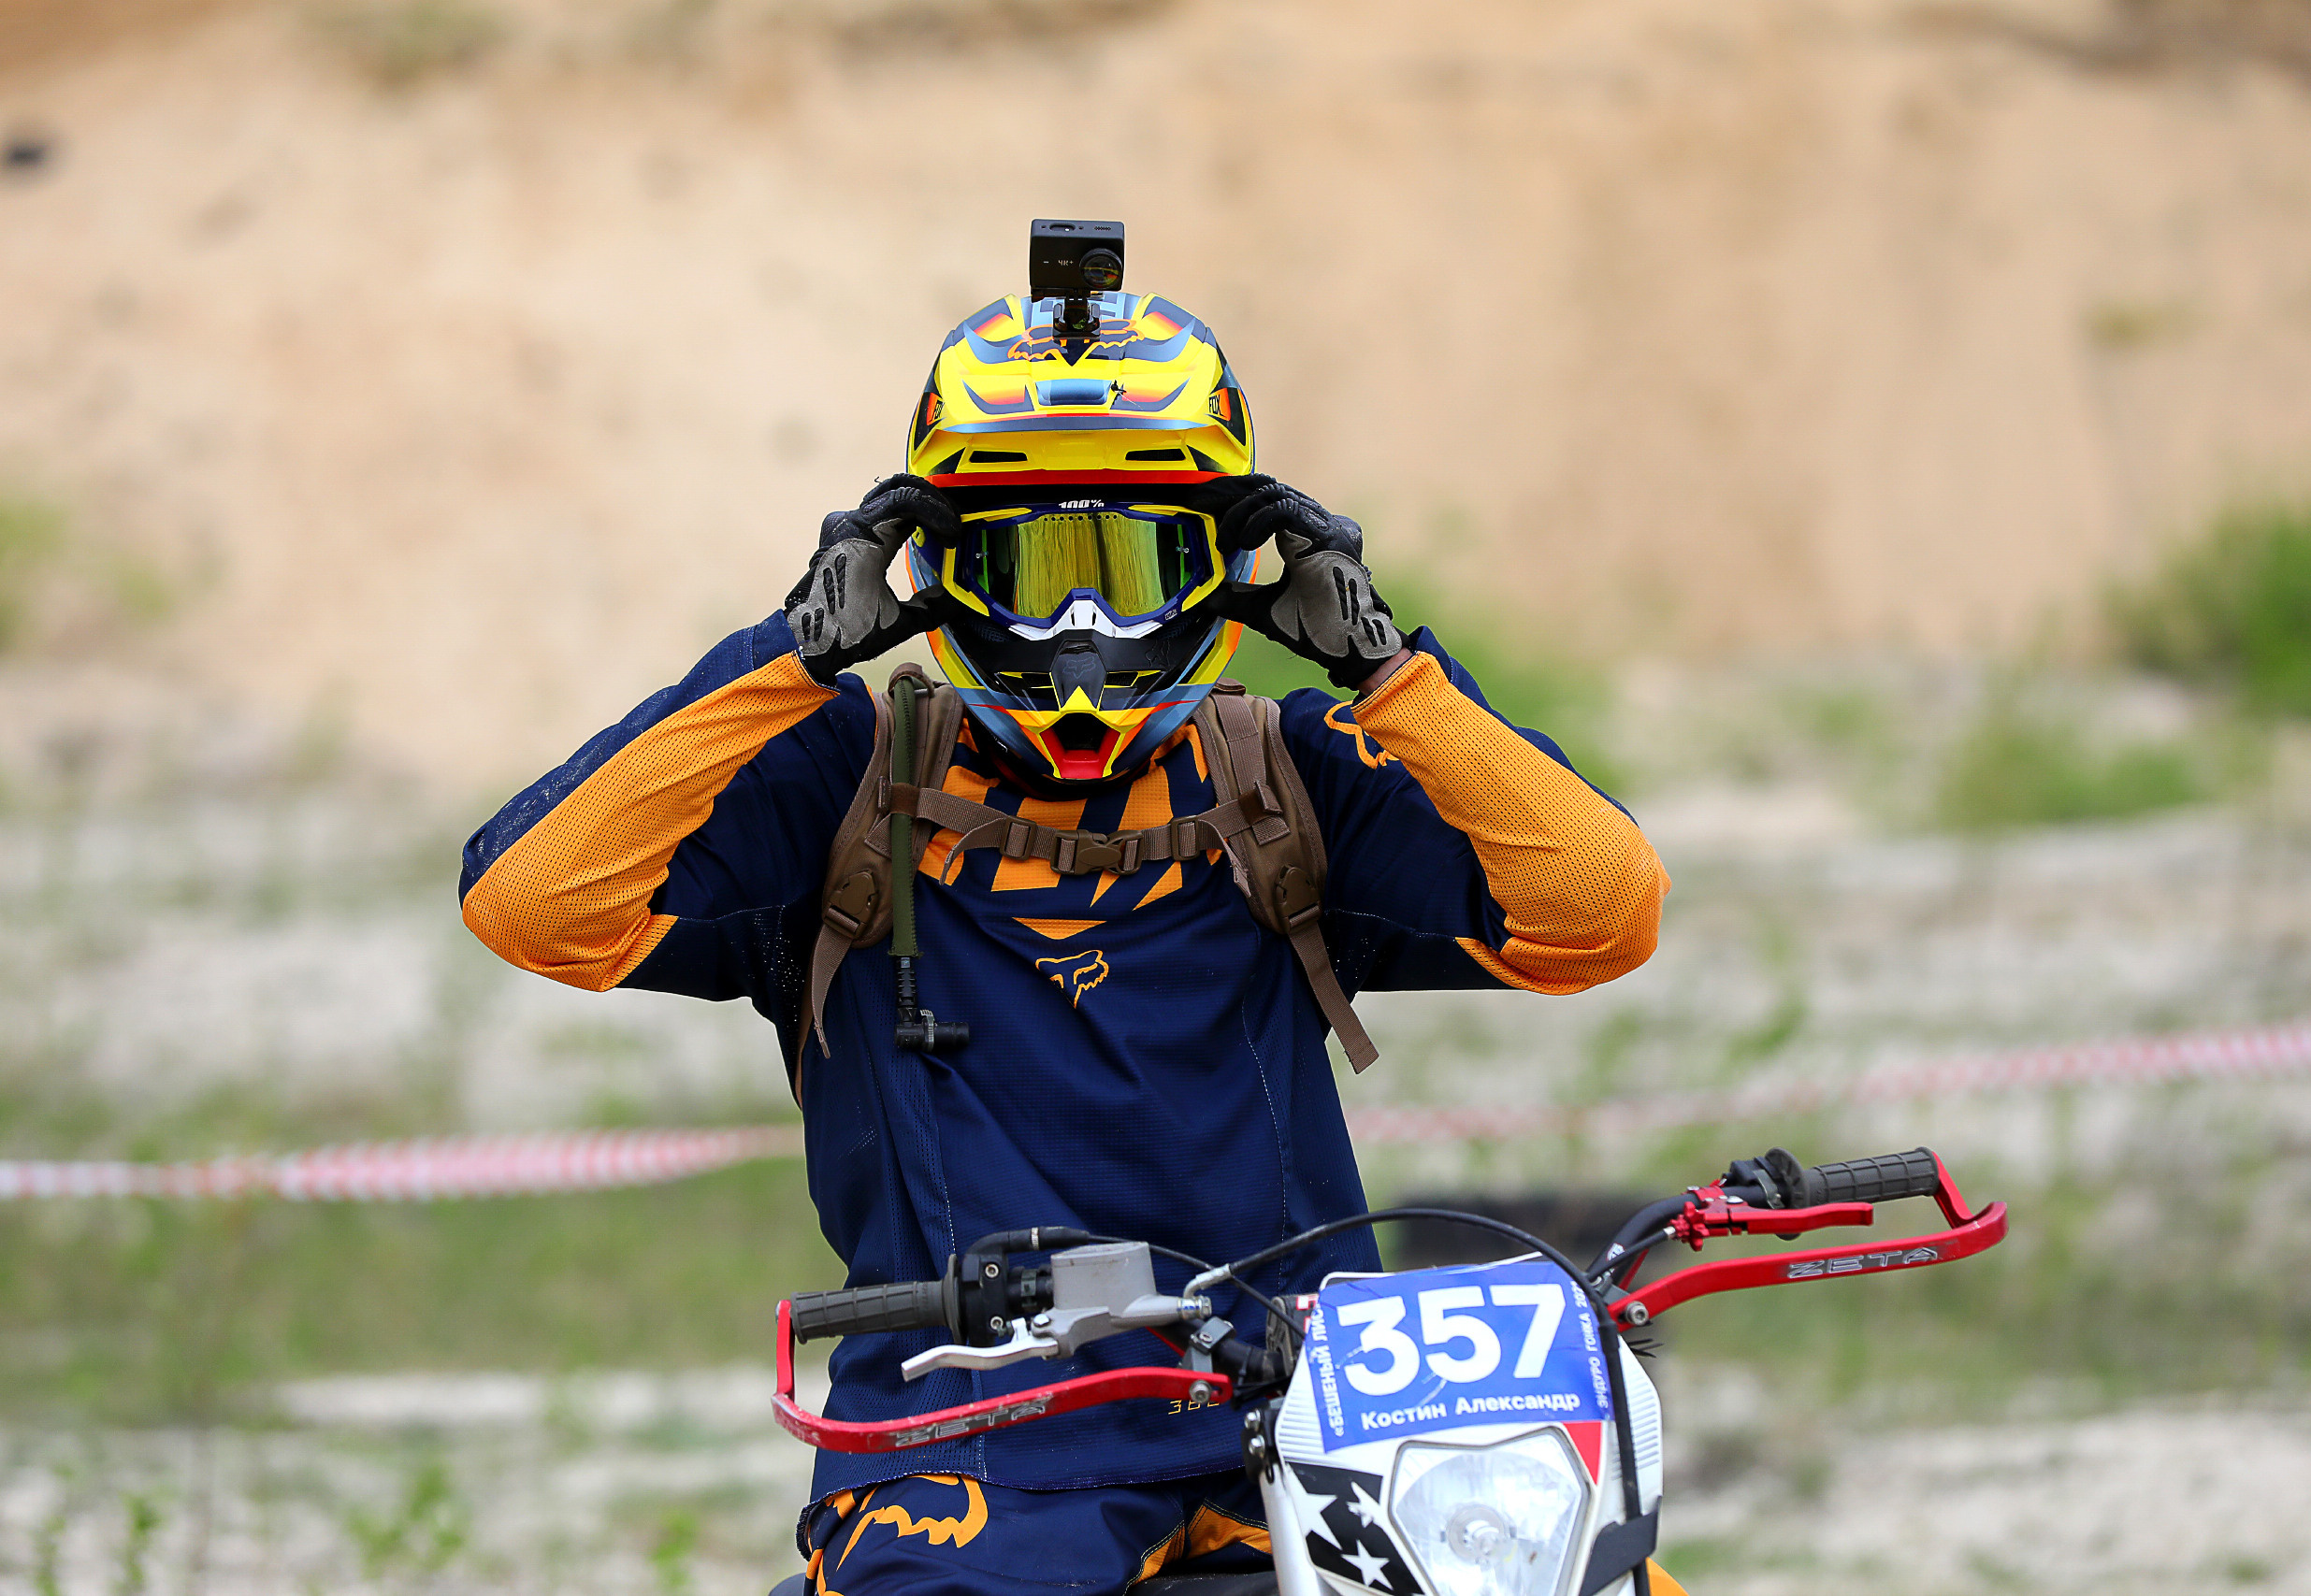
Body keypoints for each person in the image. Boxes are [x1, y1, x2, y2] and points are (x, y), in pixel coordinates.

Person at [459, 275, 1669, 1594]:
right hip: (966, 1456)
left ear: (1217, 565)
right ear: (937, 574)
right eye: (1033, 569)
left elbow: (1601, 915)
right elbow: (534, 902)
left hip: (1322, 1437)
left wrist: (1388, 669)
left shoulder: (1286, 780)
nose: (1083, 625)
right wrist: (791, 656)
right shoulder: (833, 784)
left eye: (1132, 565)